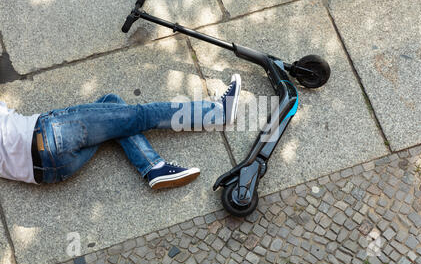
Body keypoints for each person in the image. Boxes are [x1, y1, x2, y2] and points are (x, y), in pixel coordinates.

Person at [0, 74, 241, 189]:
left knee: (112, 103)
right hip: (53, 135)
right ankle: (218, 112)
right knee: (142, 116)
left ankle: (154, 167)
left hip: (52, 172)